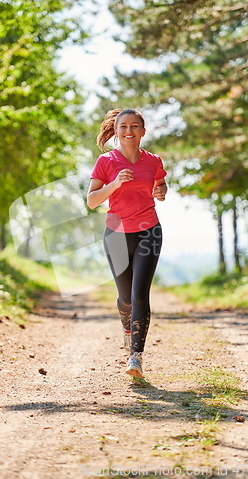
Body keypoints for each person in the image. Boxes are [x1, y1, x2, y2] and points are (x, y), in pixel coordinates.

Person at [87, 108, 167, 378]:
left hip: (149, 231)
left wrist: (161, 190)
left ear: (143, 131)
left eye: (135, 126)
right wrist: (114, 185)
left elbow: (160, 183)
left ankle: (136, 357)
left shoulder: (153, 160)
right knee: (125, 297)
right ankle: (126, 322)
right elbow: (92, 200)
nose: (129, 130)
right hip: (117, 234)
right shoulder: (106, 162)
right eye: (123, 126)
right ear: (116, 131)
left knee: (139, 294)